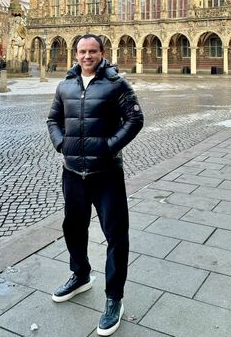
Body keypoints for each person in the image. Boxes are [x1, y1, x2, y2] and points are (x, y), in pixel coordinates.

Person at [47, 34, 143, 336]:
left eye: (92, 51)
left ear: (102, 53)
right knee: (73, 228)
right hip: (73, 172)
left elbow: (135, 119)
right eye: (82, 51)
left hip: (106, 174)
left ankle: (114, 298)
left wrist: (108, 146)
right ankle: (80, 275)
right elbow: (53, 120)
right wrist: (61, 144)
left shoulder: (116, 84)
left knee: (115, 235)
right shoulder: (65, 86)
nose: (87, 56)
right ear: (75, 54)